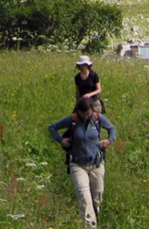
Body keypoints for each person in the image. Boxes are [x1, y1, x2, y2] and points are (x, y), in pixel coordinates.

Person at [48, 97, 117, 227]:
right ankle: (90, 226)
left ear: (91, 110)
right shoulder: (72, 120)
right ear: (78, 111)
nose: (86, 116)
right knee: (85, 199)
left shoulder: (97, 118)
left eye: (88, 113)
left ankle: (95, 221)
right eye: (83, 113)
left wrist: (109, 140)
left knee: (97, 197)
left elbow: (112, 128)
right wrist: (60, 140)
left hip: (96, 164)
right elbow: (52, 127)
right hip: (78, 165)